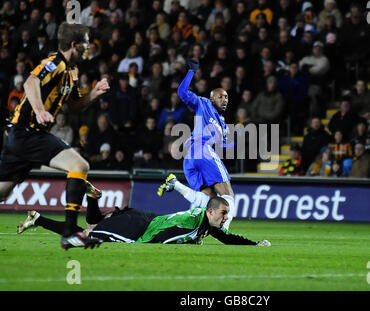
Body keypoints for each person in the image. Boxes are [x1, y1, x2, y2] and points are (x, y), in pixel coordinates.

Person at [0, 22, 110, 249]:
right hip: (26, 132)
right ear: (74, 45)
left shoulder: (72, 71)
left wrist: (95, 93)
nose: (89, 47)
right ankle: (69, 232)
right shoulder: (55, 63)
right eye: (86, 43)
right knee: (79, 165)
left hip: (20, 136)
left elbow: (75, 105)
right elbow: (31, 81)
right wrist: (40, 110)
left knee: (2, 190)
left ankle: (70, 232)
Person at [18, 178, 271, 247]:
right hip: (138, 228)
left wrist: (254, 243)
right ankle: (44, 218)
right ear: (211, 211)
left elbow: (226, 237)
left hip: (143, 217)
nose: (226, 219)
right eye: (224, 214)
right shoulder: (195, 225)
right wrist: (191, 243)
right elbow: (166, 238)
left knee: (93, 221)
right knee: (86, 233)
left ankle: (39, 218)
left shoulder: (204, 223)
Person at [177, 59, 235, 229]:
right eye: (220, 96)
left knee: (208, 200)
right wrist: (191, 72)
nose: (224, 99)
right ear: (212, 98)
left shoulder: (223, 124)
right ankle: (224, 230)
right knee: (228, 194)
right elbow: (182, 92)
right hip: (201, 151)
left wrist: (234, 140)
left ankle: (194, 230)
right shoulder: (203, 103)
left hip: (192, 157)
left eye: (226, 97)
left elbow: (226, 147)